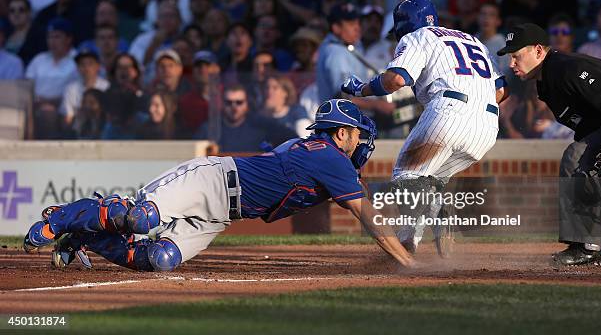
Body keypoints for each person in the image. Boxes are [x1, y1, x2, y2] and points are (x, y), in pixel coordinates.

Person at [23, 99, 415, 272]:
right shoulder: (330, 157)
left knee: (157, 260)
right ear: (342, 133)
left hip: (222, 214)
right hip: (210, 180)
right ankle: (64, 217)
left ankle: (84, 236)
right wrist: (409, 262)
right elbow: (369, 219)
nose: (362, 143)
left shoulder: (318, 150)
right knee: (140, 218)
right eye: (358, 135)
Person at [342, 0, 506, 254]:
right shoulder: (473, 39)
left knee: (406, 177)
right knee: (430, 182)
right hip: (487, 125)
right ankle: (408, 243)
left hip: (449, 111)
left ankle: (440, 212)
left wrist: (362, 89)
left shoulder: (418, 35)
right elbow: (501, 91)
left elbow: (396, 79)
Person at [497, 23, 601, 266]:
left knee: (576, 158)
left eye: (517, 56)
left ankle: (588, 246)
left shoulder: (567, 68)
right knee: (580, 161)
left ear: (539, 51)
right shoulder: (546, 80)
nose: (512, 64)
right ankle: (588, 245)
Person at [194, 84, 296, 152]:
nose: (234, 107)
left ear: (246, 104)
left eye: (239, 102)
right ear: (222, 104)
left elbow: (292, 138)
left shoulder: (259, 125)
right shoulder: (209, 129)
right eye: (229, 103)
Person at [59, 49, 110, 126]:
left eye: (90, 64)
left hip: (102, 130)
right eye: (82, 64)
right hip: (78, 129)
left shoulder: (107, 86)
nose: (86, 68)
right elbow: (67, 119)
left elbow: (109, 115)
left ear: (98, 66)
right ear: (77, 68)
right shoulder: (70, 88)